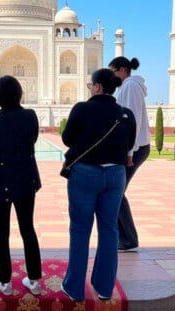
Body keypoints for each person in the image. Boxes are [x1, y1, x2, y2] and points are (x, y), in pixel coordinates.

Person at [61, 68, 136, 302]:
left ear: (98, 87)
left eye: (90, 85)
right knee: (109, 230)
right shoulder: (126, 114)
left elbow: (67, 138)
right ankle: (104, 288)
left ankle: (74, 288)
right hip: (115, 175)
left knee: (81, 229)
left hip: (85, 174)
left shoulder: (83, 109)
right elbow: (129, 143)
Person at [0, 75, 42, 296]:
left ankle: (5, 282)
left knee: (1, 231)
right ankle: (34, 281)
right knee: (28, 229)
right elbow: (33, 139)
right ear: (20, 93)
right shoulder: (30, 116)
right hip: (25, 179)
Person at [108, 56, 151, 252]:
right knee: (116, 191)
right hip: (134, 147)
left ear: (123, 70)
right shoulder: (126, 86)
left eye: (113, 71)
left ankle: (127, 239)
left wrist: (130, 151)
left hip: (136, 147)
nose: (112, 76)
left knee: (115, 191)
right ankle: (125, 238)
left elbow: (133, 119)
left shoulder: (131, 86)